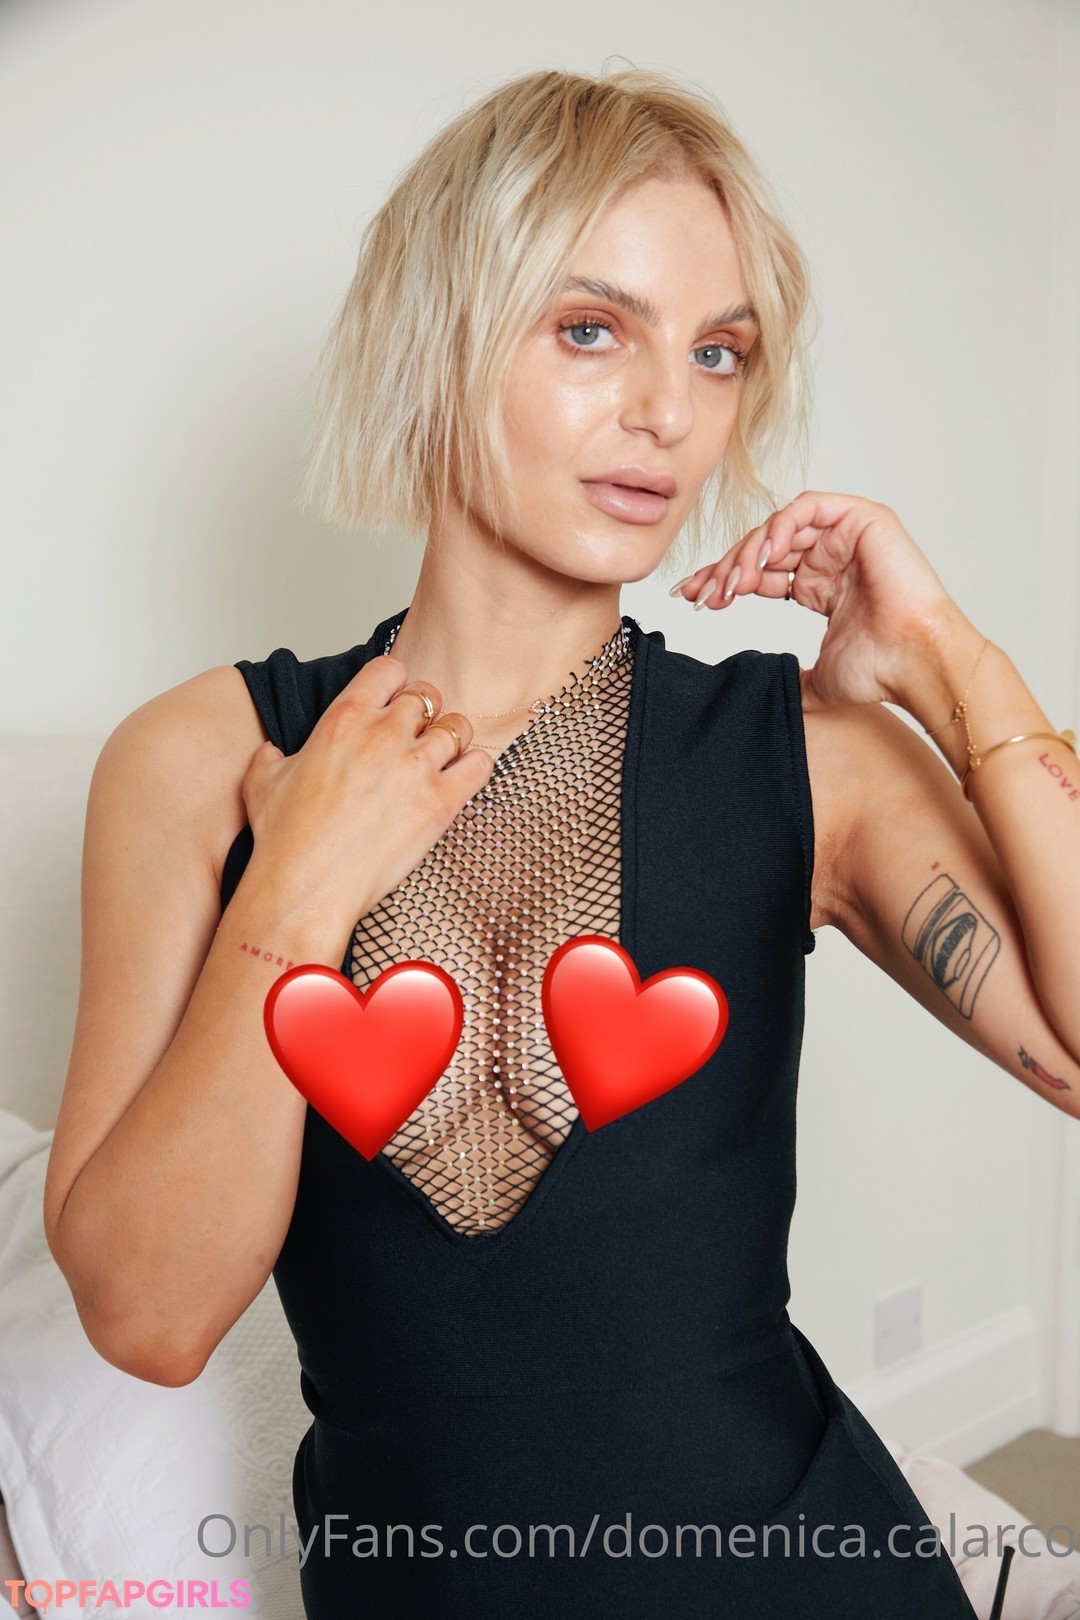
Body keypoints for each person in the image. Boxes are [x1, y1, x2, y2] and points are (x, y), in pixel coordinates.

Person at [42, 65, 1078, 1619]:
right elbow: (149, 1318)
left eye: (718, 352)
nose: (670, 411)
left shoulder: (810, 759)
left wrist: (952, 662)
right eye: (592, 329)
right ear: (441, 332)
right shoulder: (200, 761)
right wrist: (304, 880)